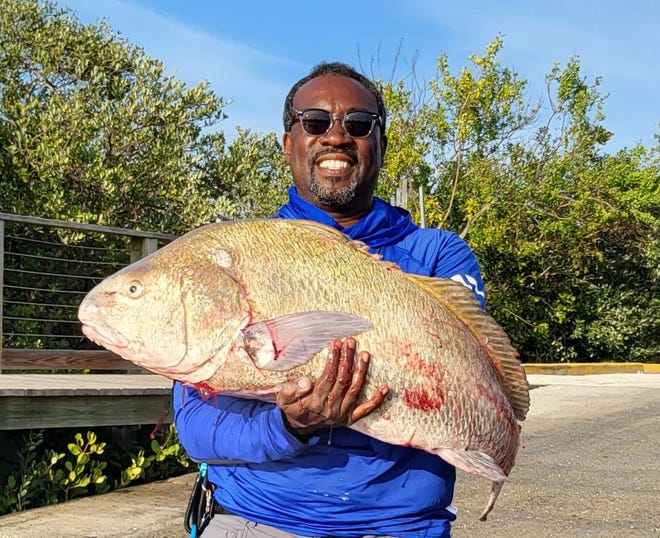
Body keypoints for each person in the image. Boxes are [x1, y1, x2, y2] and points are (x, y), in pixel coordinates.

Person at [174, 61, 486, 538]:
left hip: (399, 528)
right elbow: (196, 428)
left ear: (380, 143)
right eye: (315, 121)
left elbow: (469, 381)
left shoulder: (438, 254)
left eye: (358, 124)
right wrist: (291, 426)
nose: (336, 136)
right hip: (253, 522)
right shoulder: (241, 255)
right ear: (288, 143)